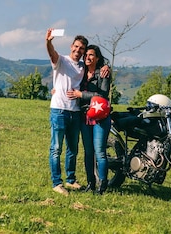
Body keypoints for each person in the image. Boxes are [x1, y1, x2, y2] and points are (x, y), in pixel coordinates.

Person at [45, 28, 88, 196]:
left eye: (81, 49)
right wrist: (48, 41)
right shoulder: (61, 60)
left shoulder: (83, 67)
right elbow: (52, 53)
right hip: (59, 111)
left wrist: (106, 66)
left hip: (75, 112)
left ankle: (70, 180)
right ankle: (57, 183)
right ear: (71, 46)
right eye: (76, 47)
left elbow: (96, 66)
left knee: (73, 149)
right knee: (56, 148)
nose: (78, 51)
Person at [67, 44, 112, 195]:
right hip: (84, 116)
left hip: (100, 117)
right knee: (88, 152)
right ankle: (90, 183)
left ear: (97, 58)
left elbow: (102, 96)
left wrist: (81, 95)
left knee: (99, 152)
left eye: (91, 55)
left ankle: (103, 184)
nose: (87, 57)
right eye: (86, 55)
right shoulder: (81, 71)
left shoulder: (103, 73)